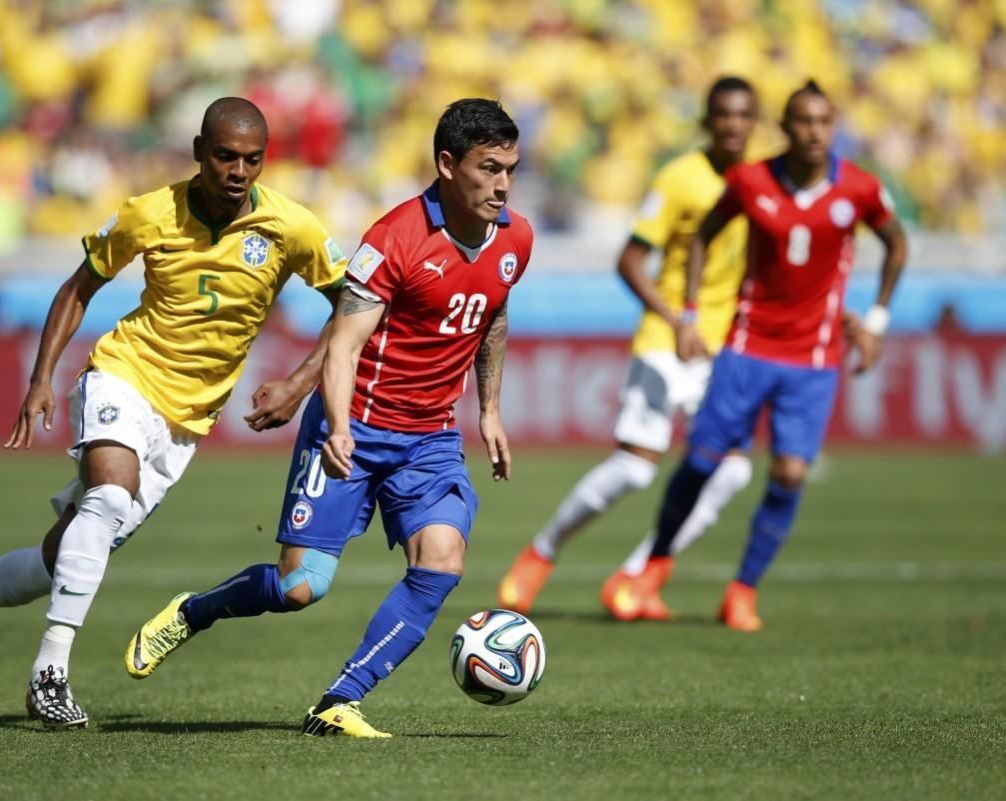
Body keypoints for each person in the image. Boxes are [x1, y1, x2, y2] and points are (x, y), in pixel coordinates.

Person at [0, 98, 348, 727]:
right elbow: (78, 288)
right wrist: (42, 378)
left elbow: (354, 305)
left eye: (251, 160)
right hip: (123, 376)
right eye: (225, 156)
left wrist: (301, 382)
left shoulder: (295, 227)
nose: (237, 171)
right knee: (111, 498)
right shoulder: (151, 213)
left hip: (184, 426)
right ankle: (50, 673)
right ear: (199, 151)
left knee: (54, 563)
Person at [123, 98, 533, 738]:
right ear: (448, 165)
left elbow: (494, 314)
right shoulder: (394, 239)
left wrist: (491, 409)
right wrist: (338, 425)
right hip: (357, 430)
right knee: (300, 589)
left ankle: (341, 699)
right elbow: (342, 344)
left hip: (429, 439)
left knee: (443, 562)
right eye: (490, 168)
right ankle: (196, 611)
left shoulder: (516, 238)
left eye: (511, 167)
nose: (503, 184)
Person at [641, 80, 907, 631]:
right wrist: (688, 313)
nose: (815, 132)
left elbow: (897, 244)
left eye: (824, 122)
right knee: (700, 461)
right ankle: (655, 564)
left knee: (788, 472)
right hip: (747, 347)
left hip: (812, 358)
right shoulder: (750, 180)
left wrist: (876, 320)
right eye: (804, 122)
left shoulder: (858, 188)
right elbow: (701, 237)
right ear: (785, 128)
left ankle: (742, 591)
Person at [498, 77, 758, 620]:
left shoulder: (760, 184)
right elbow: (630, 260)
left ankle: (641, 574)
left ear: (754, 123)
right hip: (669, 339)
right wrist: (676, 318)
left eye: (744, 115)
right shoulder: (680, 179)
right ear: (707, 122)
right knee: (637, 468)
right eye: (724, 115)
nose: (734, 125)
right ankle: (539, 554)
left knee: (733, 470)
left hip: (722, 348)